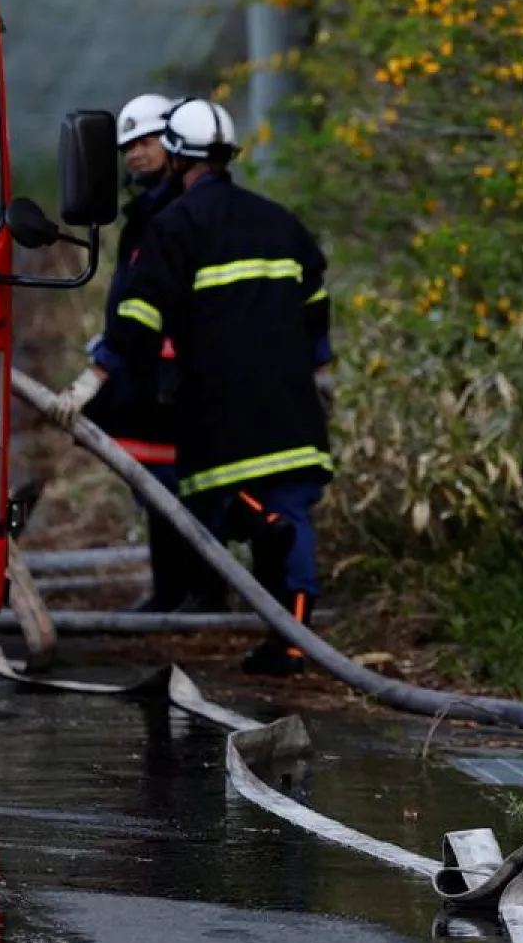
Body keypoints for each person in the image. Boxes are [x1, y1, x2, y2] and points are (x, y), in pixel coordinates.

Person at [46, 97, 335, 676]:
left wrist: (89, 380)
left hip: (222, 409)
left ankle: (266, 554)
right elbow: (316, 304)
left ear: (177, 158)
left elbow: (138, 318)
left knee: (216, 504)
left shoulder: (175, 227)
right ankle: (295, 642)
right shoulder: (280, 219)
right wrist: (321, 374)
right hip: (292, 405)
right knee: (289, 510)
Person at [82, 92, 200, 612]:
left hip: (170, 374)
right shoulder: (150, 212)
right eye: (128, 145)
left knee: (173, 483)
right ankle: (175, 589)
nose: (134, 154)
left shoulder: (178, 213)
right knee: (153, 483)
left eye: (146, 142)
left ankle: (190, 590)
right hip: (143, 370)